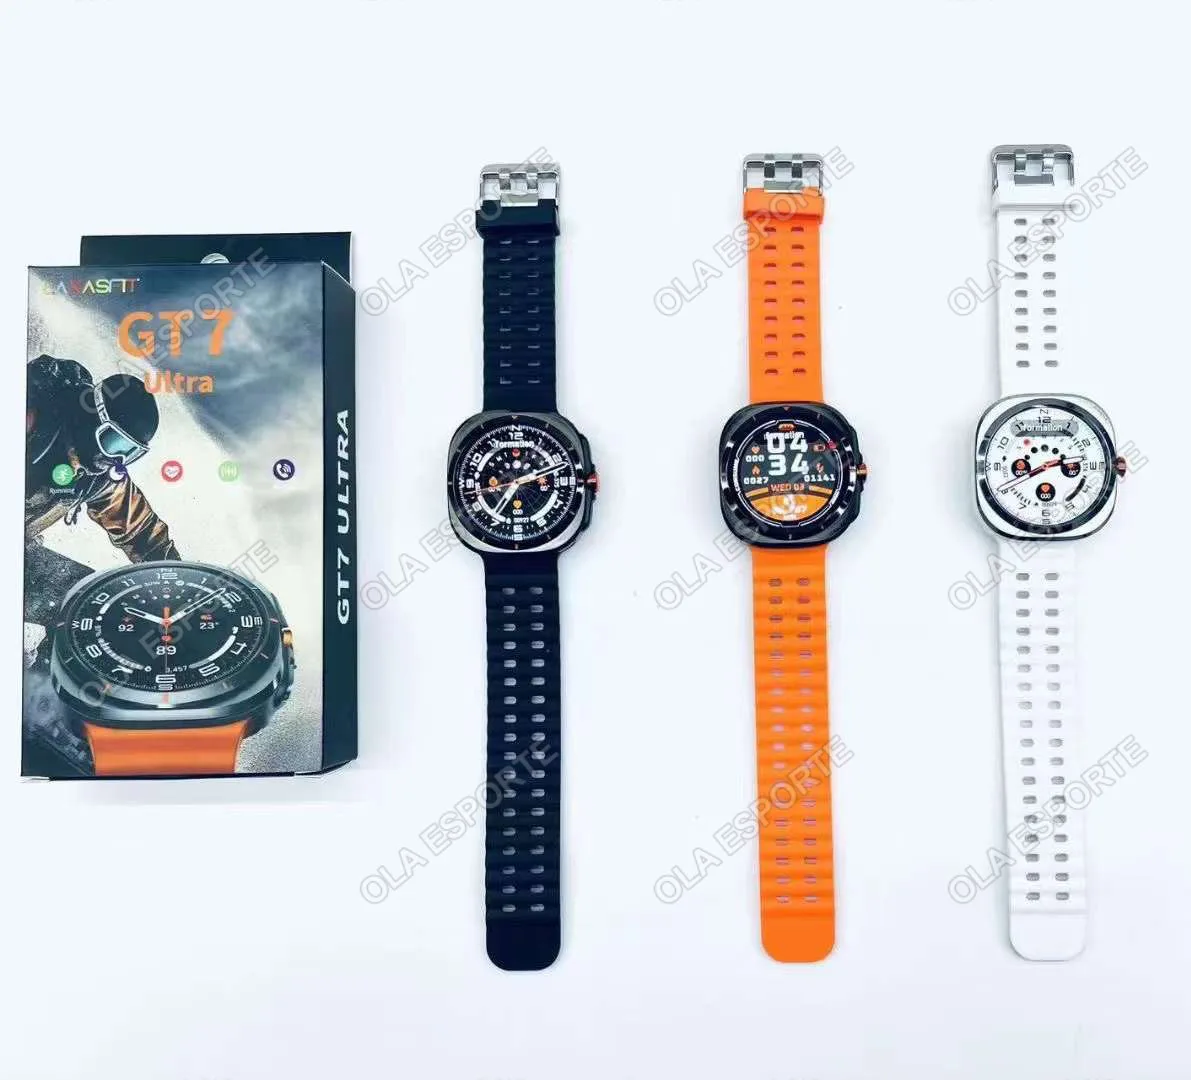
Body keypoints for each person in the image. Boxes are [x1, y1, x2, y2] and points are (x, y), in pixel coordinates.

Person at [26, 354, 180, 561]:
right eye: (115, 442)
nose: (116, 459)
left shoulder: (99, 478)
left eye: (129, 451)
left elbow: (141, 531)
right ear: (95, 420)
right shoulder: (33, 422)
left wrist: (171, 572)